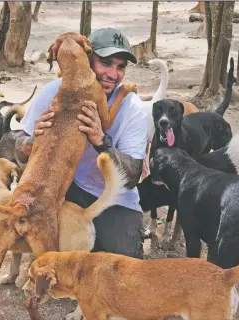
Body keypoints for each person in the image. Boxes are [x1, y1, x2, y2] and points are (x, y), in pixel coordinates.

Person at [16, 28, 147, 259]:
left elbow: (132, 177)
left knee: (121, 268)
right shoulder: (54, 92)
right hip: (70, 189)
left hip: (115, 198)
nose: (112, 74)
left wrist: (101, 142)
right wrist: (31, 141)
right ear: (87, 59)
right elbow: (13, 147)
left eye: (121, 67)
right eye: (105, 63)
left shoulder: (132, 107)